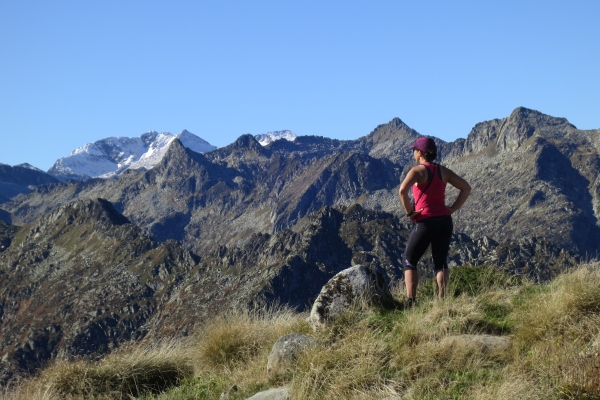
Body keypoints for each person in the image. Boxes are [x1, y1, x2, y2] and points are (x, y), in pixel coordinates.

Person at [399, 137, 471, 305]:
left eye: (414, 150)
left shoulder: (417, 171)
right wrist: (452, 209)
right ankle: (442, 301)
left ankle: (411, 301)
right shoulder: (444, 171)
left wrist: (410, 213)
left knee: (409, 261)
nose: (413, 152)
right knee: (440, 261)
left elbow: (402, 191)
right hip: (445, 220)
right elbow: (466, 188)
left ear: (420, 153)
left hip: (425, 221)